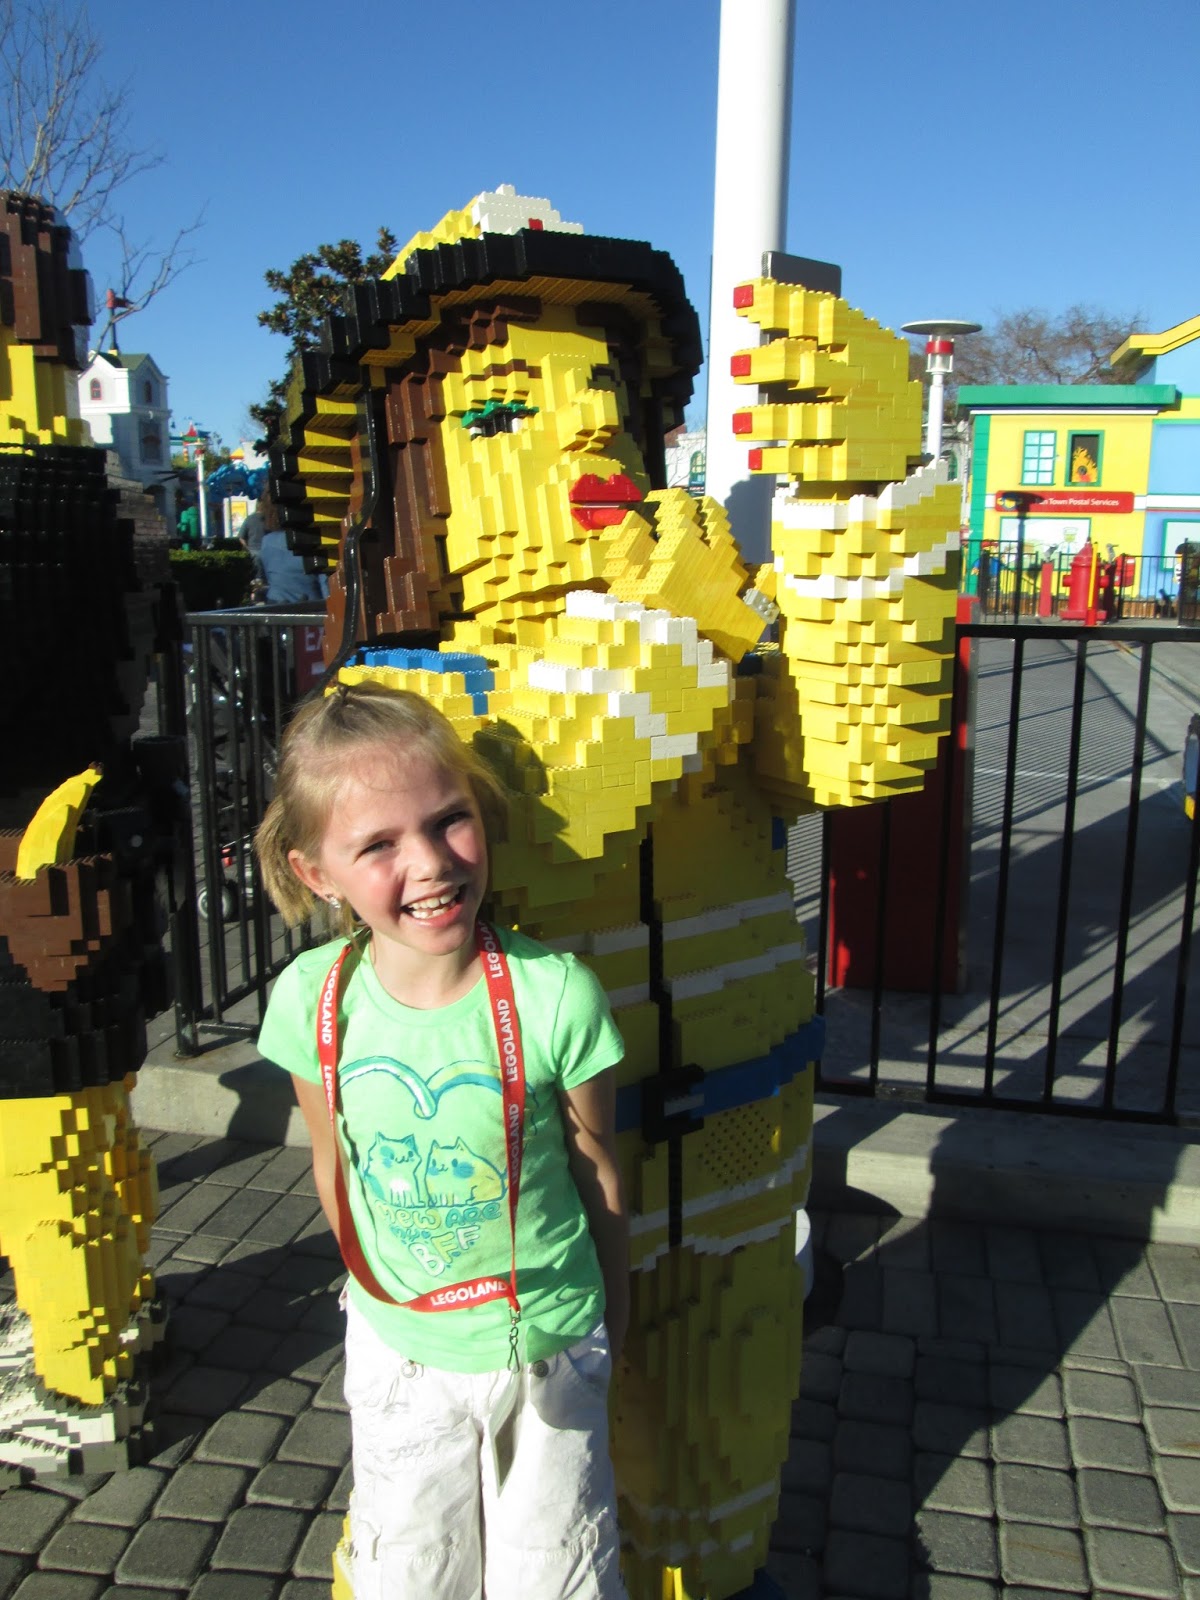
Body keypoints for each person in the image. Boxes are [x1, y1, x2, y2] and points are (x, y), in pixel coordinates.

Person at [254, 679, 629, 1600]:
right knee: (411, 1576)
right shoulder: (311, 1001)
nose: (428, 864)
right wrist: (384, 1297)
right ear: (316, 873)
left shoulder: (555, 997)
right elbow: (331, 1161)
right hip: (402, 1352)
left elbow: (600, 1171)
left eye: (448, 820)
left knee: (557, 1578)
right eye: (377, 844)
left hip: (548, 1344)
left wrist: (611, 1327)